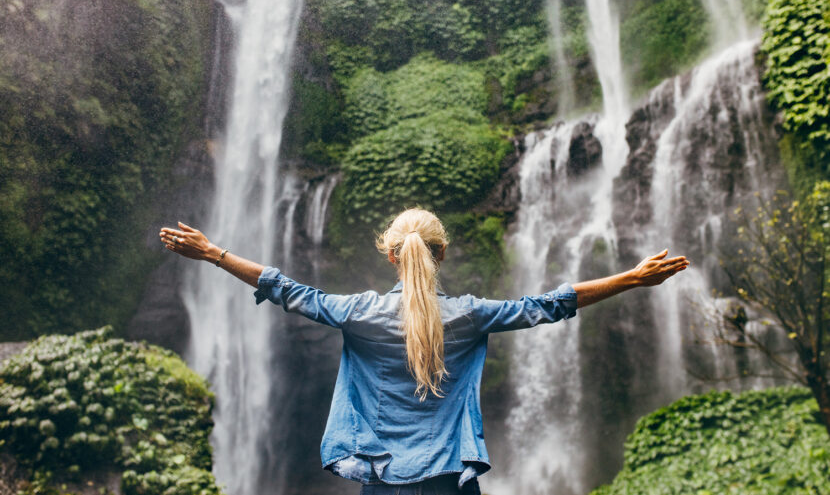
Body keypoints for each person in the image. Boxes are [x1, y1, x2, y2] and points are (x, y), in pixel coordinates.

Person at [160, 207, 689, 495]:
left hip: (384, 481)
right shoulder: (470, 314)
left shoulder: (359, 313)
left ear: (391, 256)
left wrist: (214, 253)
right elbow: (548, 305)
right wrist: (632, 279)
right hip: (448, 483)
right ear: (442, 253)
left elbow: (288, 288)